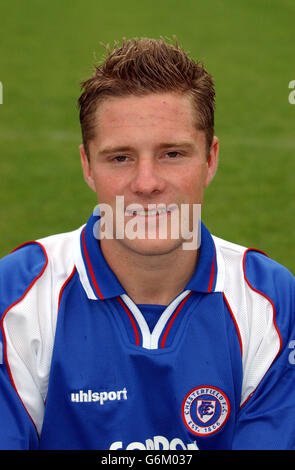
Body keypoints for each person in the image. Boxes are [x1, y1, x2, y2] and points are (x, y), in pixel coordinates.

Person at [0, 37, 294, 451]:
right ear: (87, 165)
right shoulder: (16, 297)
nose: (147, 184)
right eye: (120, 157)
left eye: (173, 154)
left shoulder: (273, 302)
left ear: (210, 159)